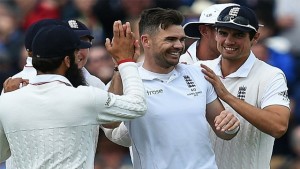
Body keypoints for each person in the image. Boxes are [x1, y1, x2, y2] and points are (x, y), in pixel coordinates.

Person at [102, 8, 240, 169]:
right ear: (146, 41)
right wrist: (122, 65)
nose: (179, 46)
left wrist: (231, 126)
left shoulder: (199, 74)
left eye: (181, 39)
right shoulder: (128, 80)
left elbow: (224, 131)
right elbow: (110, 122)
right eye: (170, 39)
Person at [0, 21, 147, 169]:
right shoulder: (85, 96)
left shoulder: (8, 99)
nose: (80, 55)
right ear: (67, 61)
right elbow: (137, 105)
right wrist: (126, 62)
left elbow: (1, 153)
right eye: (75, 52)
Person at [197, 5, 290, 169]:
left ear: (255, 38)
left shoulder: (271, 75)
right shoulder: (198, 69)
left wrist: (226, 96)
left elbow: (279, 126)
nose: (229, 41)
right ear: (215, 34)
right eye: (223, 33)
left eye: (238, 34)